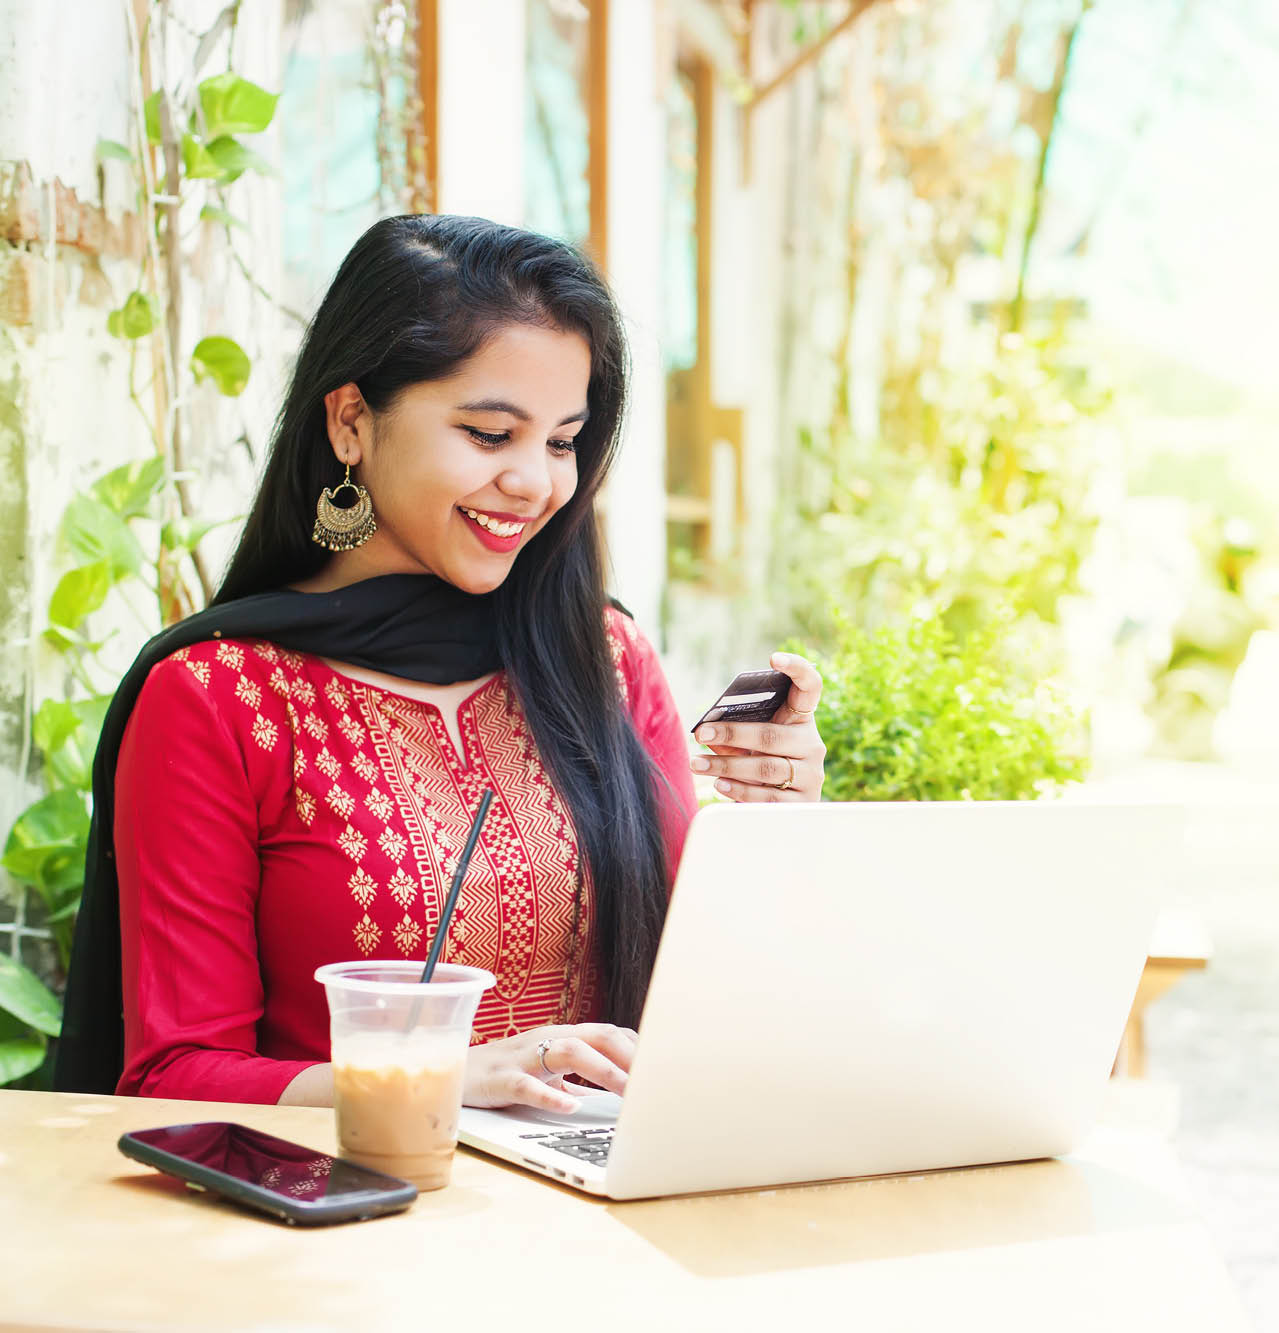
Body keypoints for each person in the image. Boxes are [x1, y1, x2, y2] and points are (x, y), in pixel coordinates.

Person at [54, 215, 826, 1111]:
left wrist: (778, 831)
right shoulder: (220, 697)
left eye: (563, 440)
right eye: (491, 434)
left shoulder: (602, 659)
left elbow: (698, 990)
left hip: (604, 1210)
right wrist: (440, 1082)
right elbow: (174, 1073)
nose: (536, 482)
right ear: (351, 421)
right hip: (343, 1214)